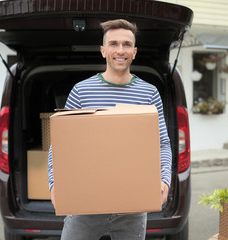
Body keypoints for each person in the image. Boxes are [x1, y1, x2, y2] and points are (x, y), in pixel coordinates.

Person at [47, 19, 172, 240]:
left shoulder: (149, 93)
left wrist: (164, 178)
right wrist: (55, 183)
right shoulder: (81, 91)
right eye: (113, 44)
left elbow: (161, 142)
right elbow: (60, 144)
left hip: (132, 206)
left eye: (126, 44)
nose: (120, 50)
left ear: (134, 52)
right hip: (85, 204)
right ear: (103, 50)